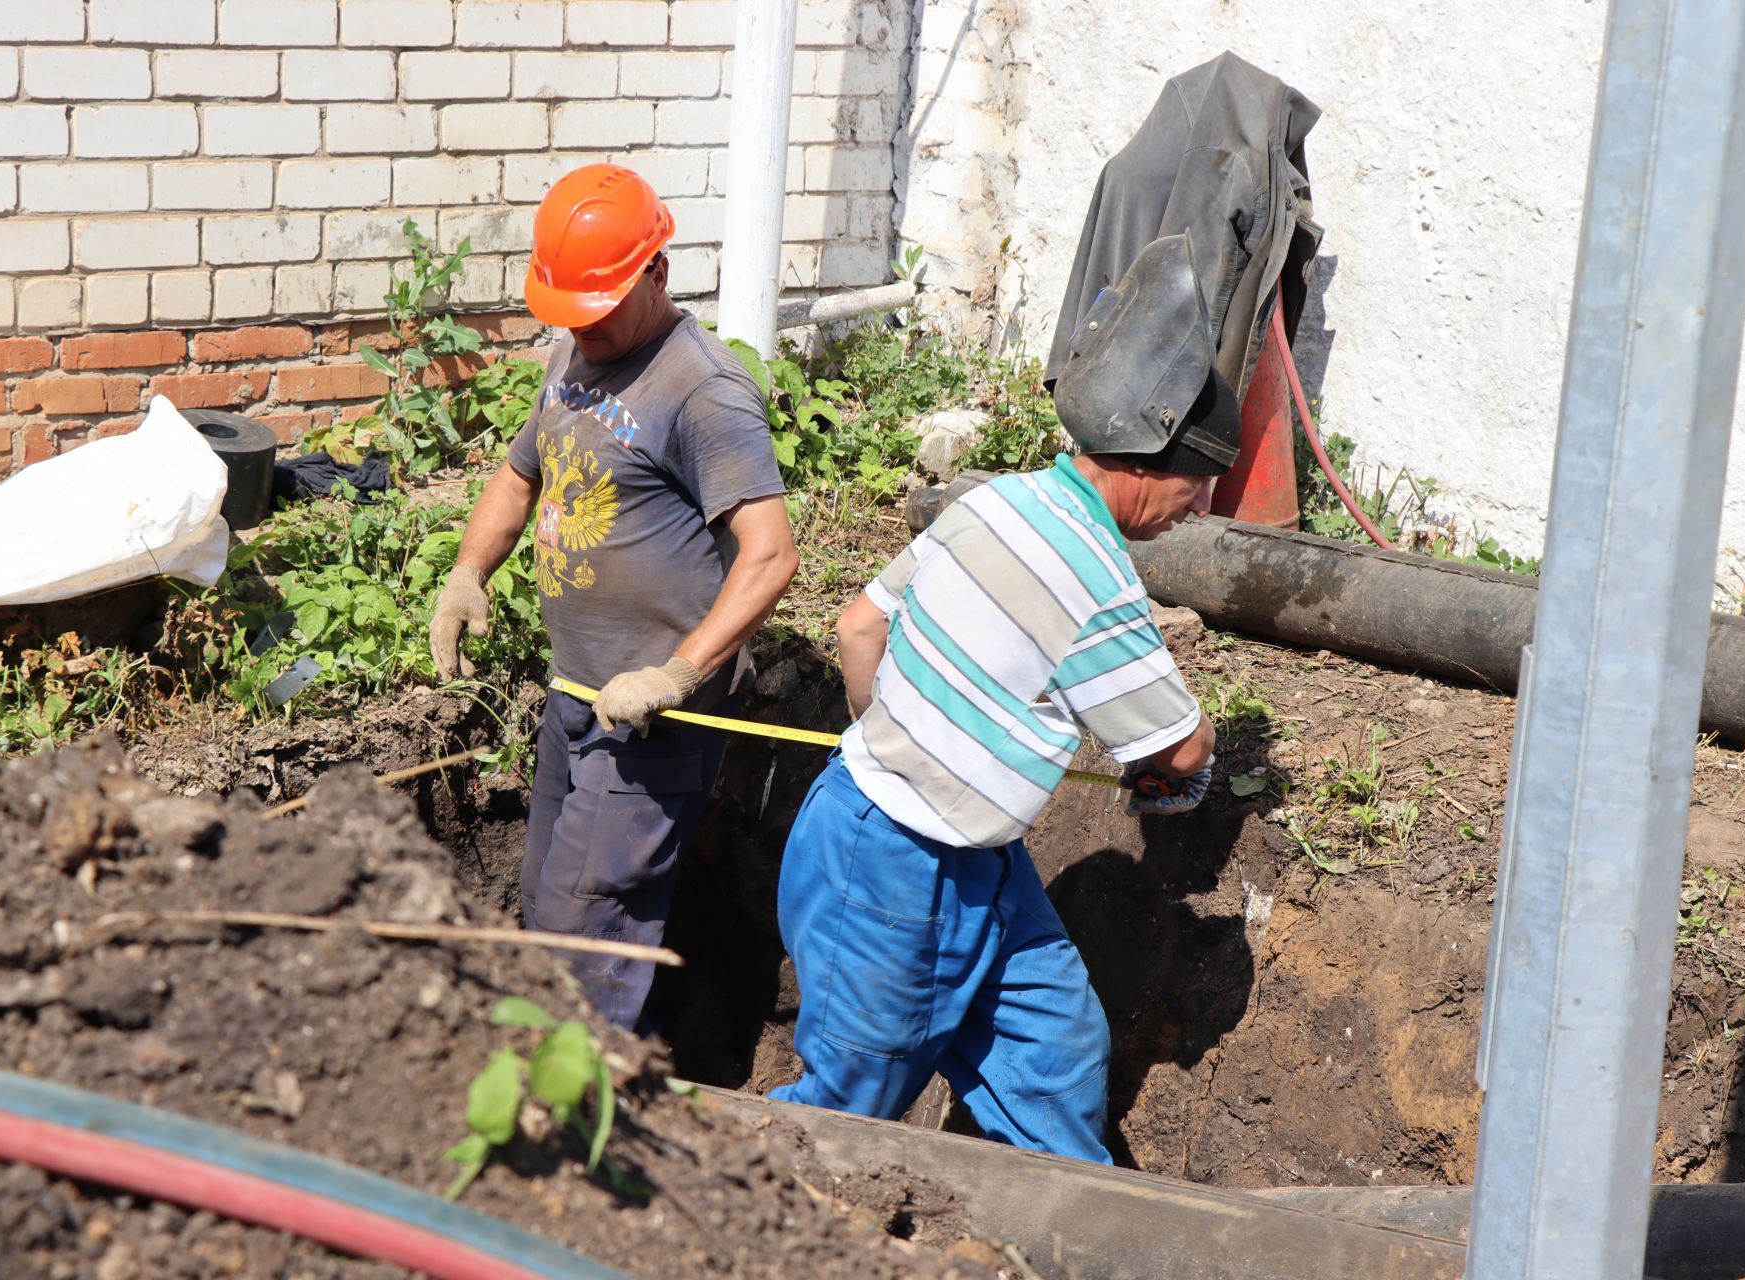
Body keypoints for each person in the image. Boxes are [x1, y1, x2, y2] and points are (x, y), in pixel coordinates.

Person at [770, 235, 1234, 1162]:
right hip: (900, 869)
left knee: (1052, 1052)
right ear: (1147, 459)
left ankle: (1063, 1236)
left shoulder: (996, 500)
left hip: (916, 842)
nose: (1200, 506)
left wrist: (903, 742)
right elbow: (1182, 754)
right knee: (847, 1109)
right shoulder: (1098, 580)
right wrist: (1183, 781)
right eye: (1198, 484)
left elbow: (859, 627)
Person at [430, 163, 797, 1030]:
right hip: (575, 695)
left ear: (657, 271)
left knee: (582, 937)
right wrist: (467, 572)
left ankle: (579, 1117)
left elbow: (771, 555)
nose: (583, 332)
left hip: (651, 720)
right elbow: (519, 478)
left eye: (598, 311)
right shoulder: (575, 350)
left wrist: (678, 672)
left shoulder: (705, 391)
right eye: (570, 314)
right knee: (550, 908)